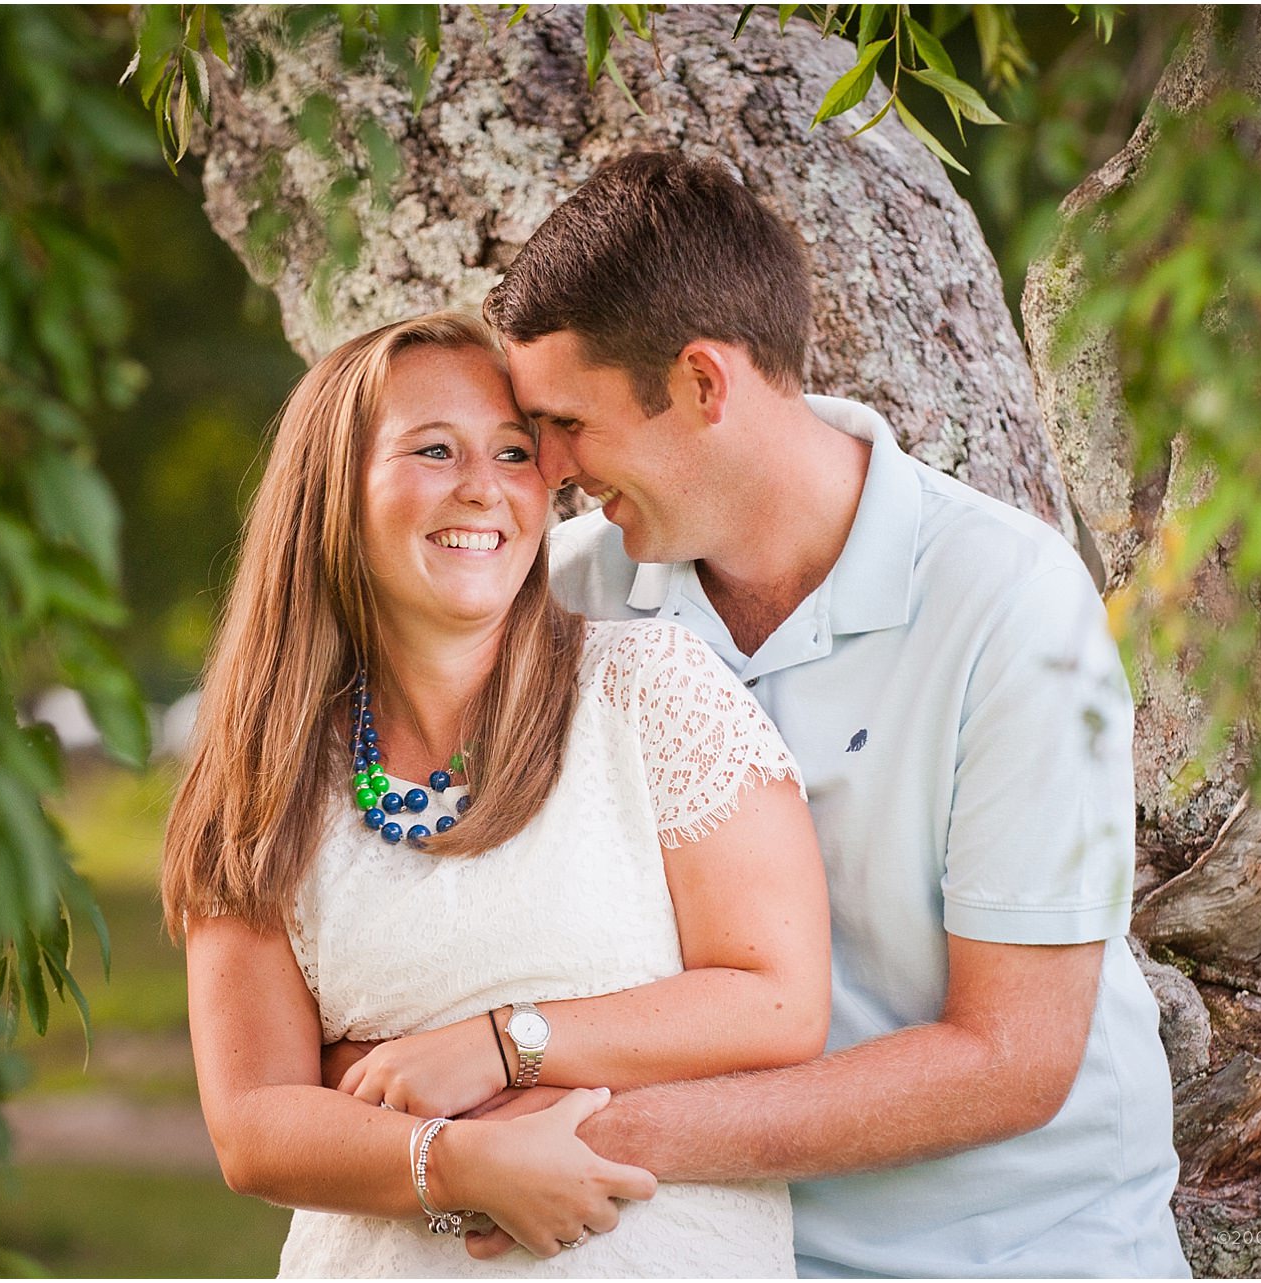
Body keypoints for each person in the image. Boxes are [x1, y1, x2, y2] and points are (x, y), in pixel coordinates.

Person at [462, 149, 1193, 1278]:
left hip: (1018, 1251)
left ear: (704, 383)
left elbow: (1012, 1056)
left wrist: (590, 1139)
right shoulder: (564, 595)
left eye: (568, 422)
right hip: (709, 1246)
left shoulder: (1010, 601)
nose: (546, 468)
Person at [160, 311, 833, 1277]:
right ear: (331, 493)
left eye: (515, 454)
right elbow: (257, 1124)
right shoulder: (264, 775)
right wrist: (461, 1162)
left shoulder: (650, 692)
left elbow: (777, 1002)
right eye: (434, 449)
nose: (482, 487)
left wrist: (504, 1043)